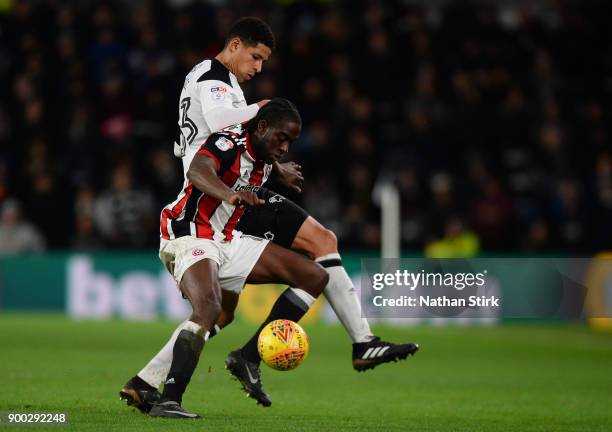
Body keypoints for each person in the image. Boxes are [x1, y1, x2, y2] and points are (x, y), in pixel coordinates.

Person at [120, 16, 418, 413]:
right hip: (209, 201)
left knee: (230, 310)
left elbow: (246, 137)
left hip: (230, 205)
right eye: (255, 57)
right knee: (315, 245)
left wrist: (275, 164)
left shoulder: (230, 94)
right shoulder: (214, 77)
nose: (258, 68)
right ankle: (359, 342)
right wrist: (263, 109)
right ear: (236, 44)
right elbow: (226, 128)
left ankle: (149, 382)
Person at [145, 99, 329, 418]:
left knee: (314, 276)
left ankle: (247, 357)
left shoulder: (264, 156)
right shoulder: (230, 141)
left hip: (226, 239)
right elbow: (198, 169)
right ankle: (168, 400)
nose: (285, 147)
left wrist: (279, 169)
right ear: (261, 127)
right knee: (210, 308)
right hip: (190, 231)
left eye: (291, 142)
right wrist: (231, 195)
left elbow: (263, 163)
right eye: (281, 138)